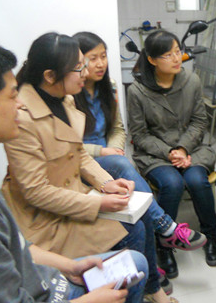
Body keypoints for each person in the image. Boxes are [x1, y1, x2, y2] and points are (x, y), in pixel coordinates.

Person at [1, 33, 177, 303]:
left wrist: (106, 184)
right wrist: (98, 203)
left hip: (72, 200)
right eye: (79, 67)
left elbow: (79, 154)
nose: (85, 73)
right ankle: (133, 291)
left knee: (139, 217)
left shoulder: (65, 99)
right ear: (50, 75)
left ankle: (147, 290)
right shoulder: (23, 117)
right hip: (45, 219)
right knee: (133, 230)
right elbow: (36, 192)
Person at [72, 31, 206, 282]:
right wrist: (103, 152)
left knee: (139, 211)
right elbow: (71, 147)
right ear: (77, 62)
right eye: (92, 58)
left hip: (112, 160)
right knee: (149, 179)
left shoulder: (109, 87)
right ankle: (165, 228)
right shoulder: (69, 95)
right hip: (84, 164)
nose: (100, 63)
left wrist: (114, 149)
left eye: (103, 56)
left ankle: (153, 270)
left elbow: (117, 129)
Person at [127, 29, 216, 272]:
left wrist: (182, 148)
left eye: (178, 51)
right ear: (151, 59)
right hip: (156, 153)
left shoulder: (191, 81)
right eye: (168, 55)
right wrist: (170, 152)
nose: (177, 58)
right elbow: (139, 134)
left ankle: (211, 236)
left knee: (197, 180)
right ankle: (164, 244)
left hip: (191, 148)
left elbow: (199, 121)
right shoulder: (137, 91)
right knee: (172, 184)